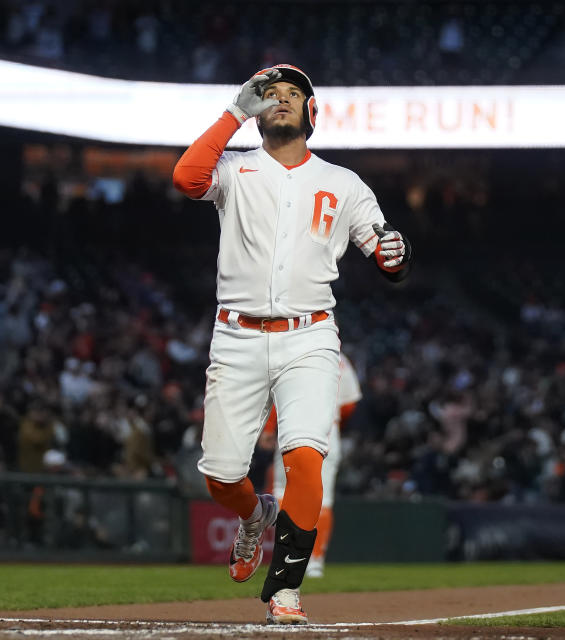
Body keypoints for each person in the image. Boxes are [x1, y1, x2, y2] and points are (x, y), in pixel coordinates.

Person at [172, 64, 412, 624]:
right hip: (236, 334)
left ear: (311, 112)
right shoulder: (234, 169)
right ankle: (255, 514)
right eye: (269, 94)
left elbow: (383, 249)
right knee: (220, 476)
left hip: (310, 334)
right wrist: (235, 110)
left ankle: (286, 590)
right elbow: (185, 178)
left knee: (305, 459)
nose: (279, 100)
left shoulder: (344, 181)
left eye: (291, 94)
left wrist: (394, 254)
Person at [267, 352, 361, 579]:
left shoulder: (293, 351)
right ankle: (315, 560)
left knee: (283, 490)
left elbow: (278, 396)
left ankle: (287, 555)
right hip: (328, 428)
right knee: (324, 498)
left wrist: (270, 427)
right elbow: (349, 405)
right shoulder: (341, 359)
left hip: (295, 424)